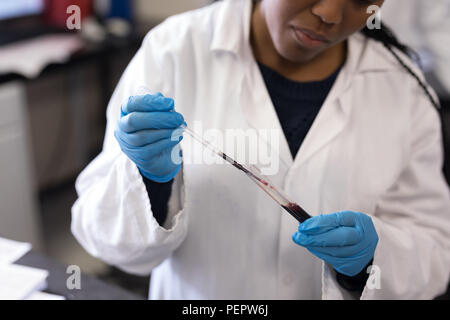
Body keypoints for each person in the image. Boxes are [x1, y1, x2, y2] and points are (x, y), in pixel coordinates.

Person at [71, 0, 450, 299]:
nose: (330, 13)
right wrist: (150, 183)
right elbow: (105, 239)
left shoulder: (403, 89)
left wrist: (372, 261)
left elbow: (435, 252)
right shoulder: (173, 50)